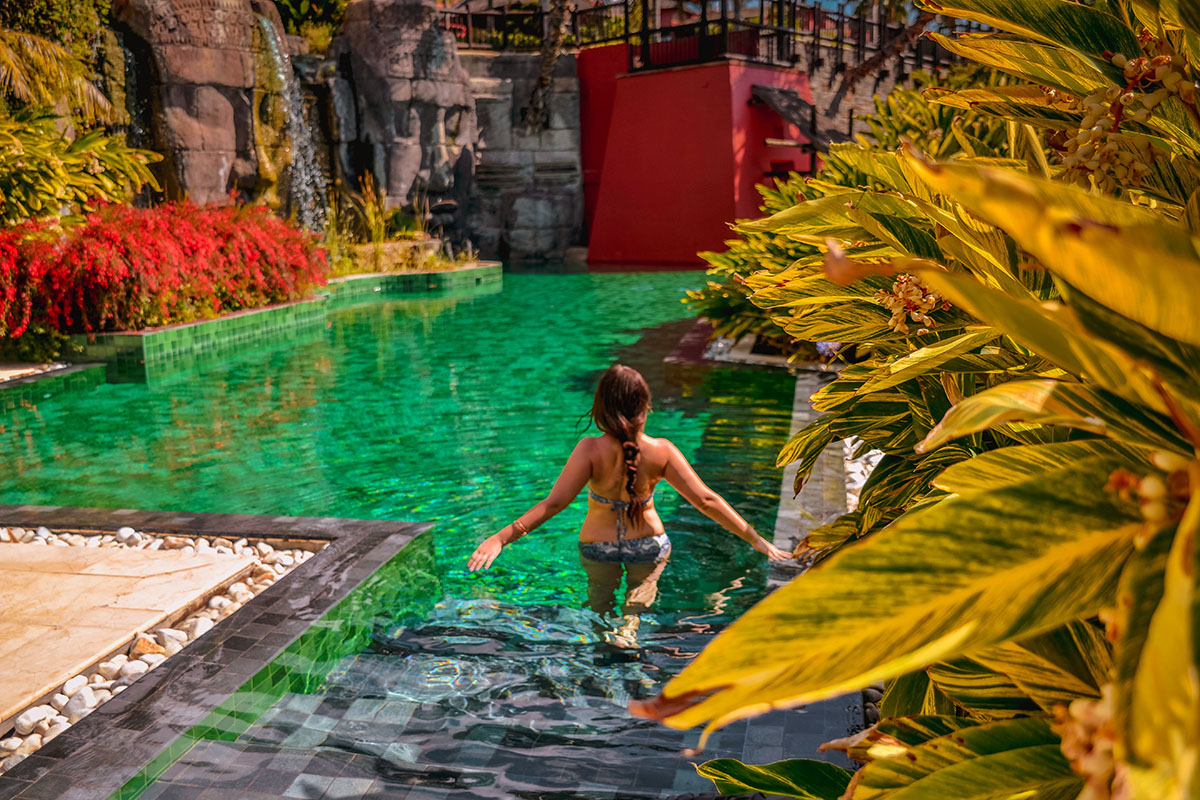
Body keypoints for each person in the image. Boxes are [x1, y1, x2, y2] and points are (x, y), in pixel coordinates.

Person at [467, 365, 792, 642]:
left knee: (599, 602)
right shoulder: (662, 450)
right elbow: (707, 501)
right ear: (644, 405)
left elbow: (554, 504)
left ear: (601, 407)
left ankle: (600, 647)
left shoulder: (590, 449)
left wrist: (501, 537)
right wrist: (759, 542)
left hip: (598, 546)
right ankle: (630, 628)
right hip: (648, 544)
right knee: (643, 588)